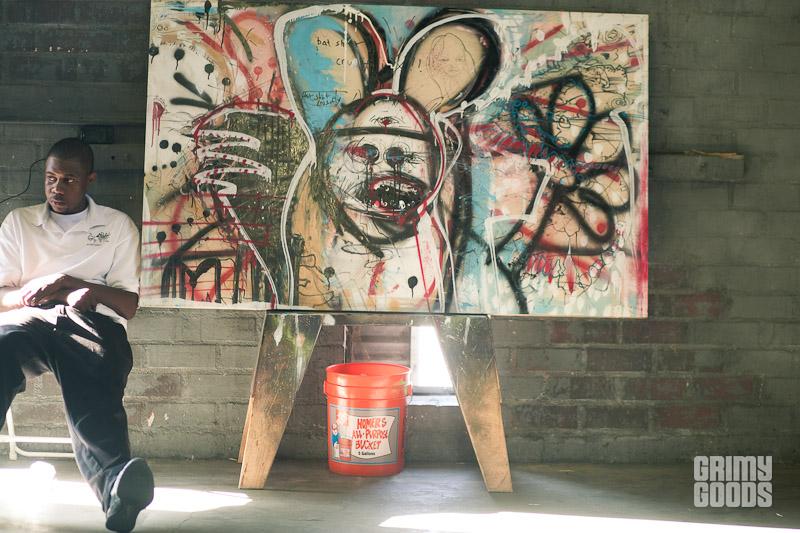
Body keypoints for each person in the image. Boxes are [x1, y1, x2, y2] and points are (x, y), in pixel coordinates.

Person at [0, 138, 153, 532]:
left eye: (69, 180)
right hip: (29, 317)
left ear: (89, 180)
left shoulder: (116, 225)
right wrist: (36, 293)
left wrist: (73, 285)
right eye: (51, 178)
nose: (57, 188)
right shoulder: (19, 223)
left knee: (93, 389)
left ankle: (117, 490)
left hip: (91, 322)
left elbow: (128, 304)